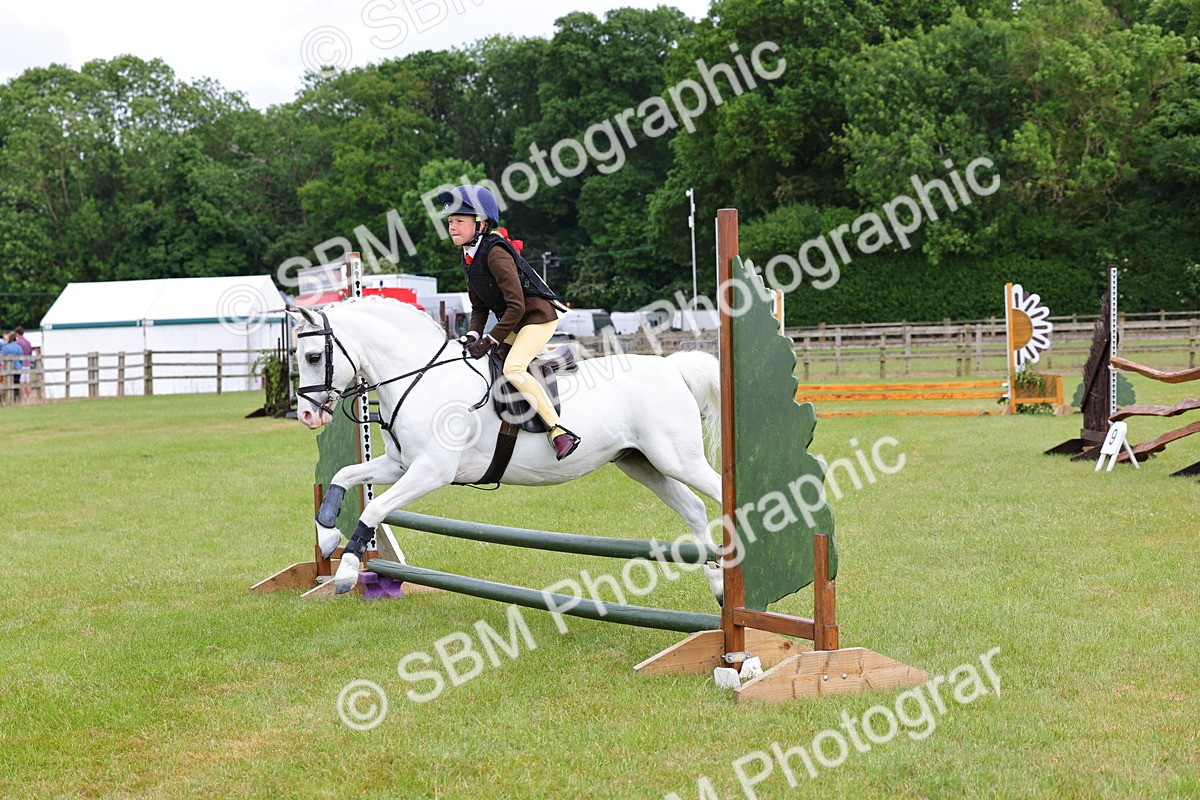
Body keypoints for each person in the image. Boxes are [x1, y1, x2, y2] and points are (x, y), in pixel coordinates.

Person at [439, 184, 581, 460]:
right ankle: (551, 362)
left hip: (536, 317)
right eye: (450, 222)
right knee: (487, 358)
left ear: (481, 224)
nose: (452, 227)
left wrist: (490, 339)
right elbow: (479, 306)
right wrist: (470, 335)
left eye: (459, 221)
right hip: (515, 321)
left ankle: (559, 431)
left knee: (514, 368)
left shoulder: (495, 252)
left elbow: (516, 306)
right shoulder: (468, 254)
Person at [0, 332, 23, 404]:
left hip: (8, 369)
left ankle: (9, 400)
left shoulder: (6, 347)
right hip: (17, 368)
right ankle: (16, 399)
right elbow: (21, 358)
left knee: (8, 384)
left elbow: (3, 358)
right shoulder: (19, 347)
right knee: (17, 384)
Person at [13, 326, 32, 403]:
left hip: (21, 364)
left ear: (17, 334)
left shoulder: (18, 343)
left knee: (21, 382)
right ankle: (29, 398)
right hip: (28, 363)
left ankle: (22, 399)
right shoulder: (28, 342)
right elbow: (30, 352)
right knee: (27, 382)